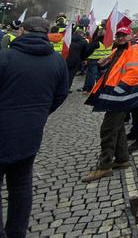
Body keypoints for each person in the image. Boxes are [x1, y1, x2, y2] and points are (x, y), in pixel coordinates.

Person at [0, 17, 68, 238]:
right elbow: (60, 94)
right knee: (21, 185)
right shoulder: (57, 61)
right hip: (30, 132)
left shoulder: (5, 56)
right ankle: (16, 232)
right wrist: (40, 112)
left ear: (22, 31)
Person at [82, 27, 138, 182]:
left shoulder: (134, 49)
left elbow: (136, 72)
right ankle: (122, 158)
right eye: (118, 35)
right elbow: (114, 68)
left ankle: (104, 167)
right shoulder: (119, 49)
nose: (120, 38)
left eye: (123, 35)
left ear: (130, 35)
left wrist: (120, 89)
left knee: (108, 130)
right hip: (116, 96)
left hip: (121, 96)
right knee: (117, 128)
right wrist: (104, 63)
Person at [82, 24, 112, 93]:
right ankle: (99, 89)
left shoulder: (96, 42)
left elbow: (87, 51)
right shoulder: (110, 42)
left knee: (92, 75)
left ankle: (89, 90)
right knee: (101, 76)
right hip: (105, 61)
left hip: (94, 60)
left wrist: (84, 58)